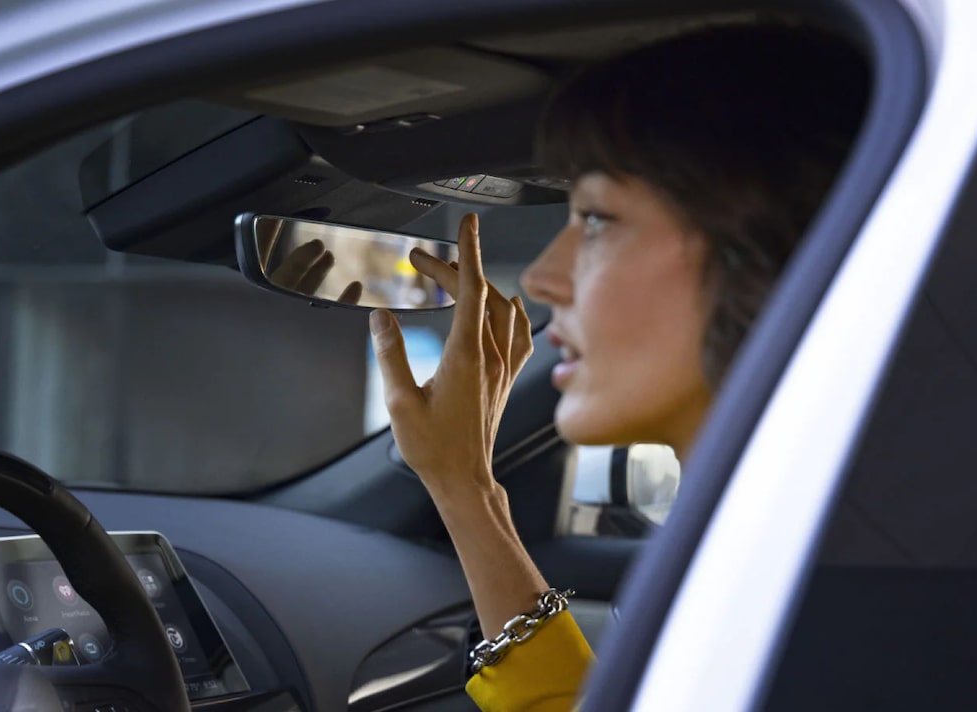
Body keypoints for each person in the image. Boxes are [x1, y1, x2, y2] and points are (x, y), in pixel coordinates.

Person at [367, 22, 870, 712]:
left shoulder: (822, 609)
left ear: (767, 257)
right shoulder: (785, 553)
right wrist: (464, 485)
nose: (543, 279)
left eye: (598, 221)